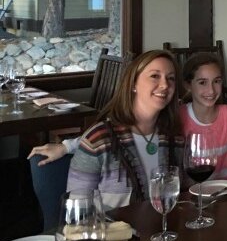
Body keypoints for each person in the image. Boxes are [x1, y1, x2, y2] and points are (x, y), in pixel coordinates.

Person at [66, 50, 183, 210]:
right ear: (133, 83)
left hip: (165, 231)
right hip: (113, 233)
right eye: (155, 76)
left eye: (171, 78)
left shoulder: (174, 138)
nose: (165, 85)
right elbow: (78, 209)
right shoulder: (98, 139)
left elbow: (182, 196)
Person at [178, 53, 227, 181]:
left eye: (216, 81)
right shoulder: (179, 118)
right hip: (192, 195)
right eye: (202, 82)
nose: (211, 90)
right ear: (188, 85)